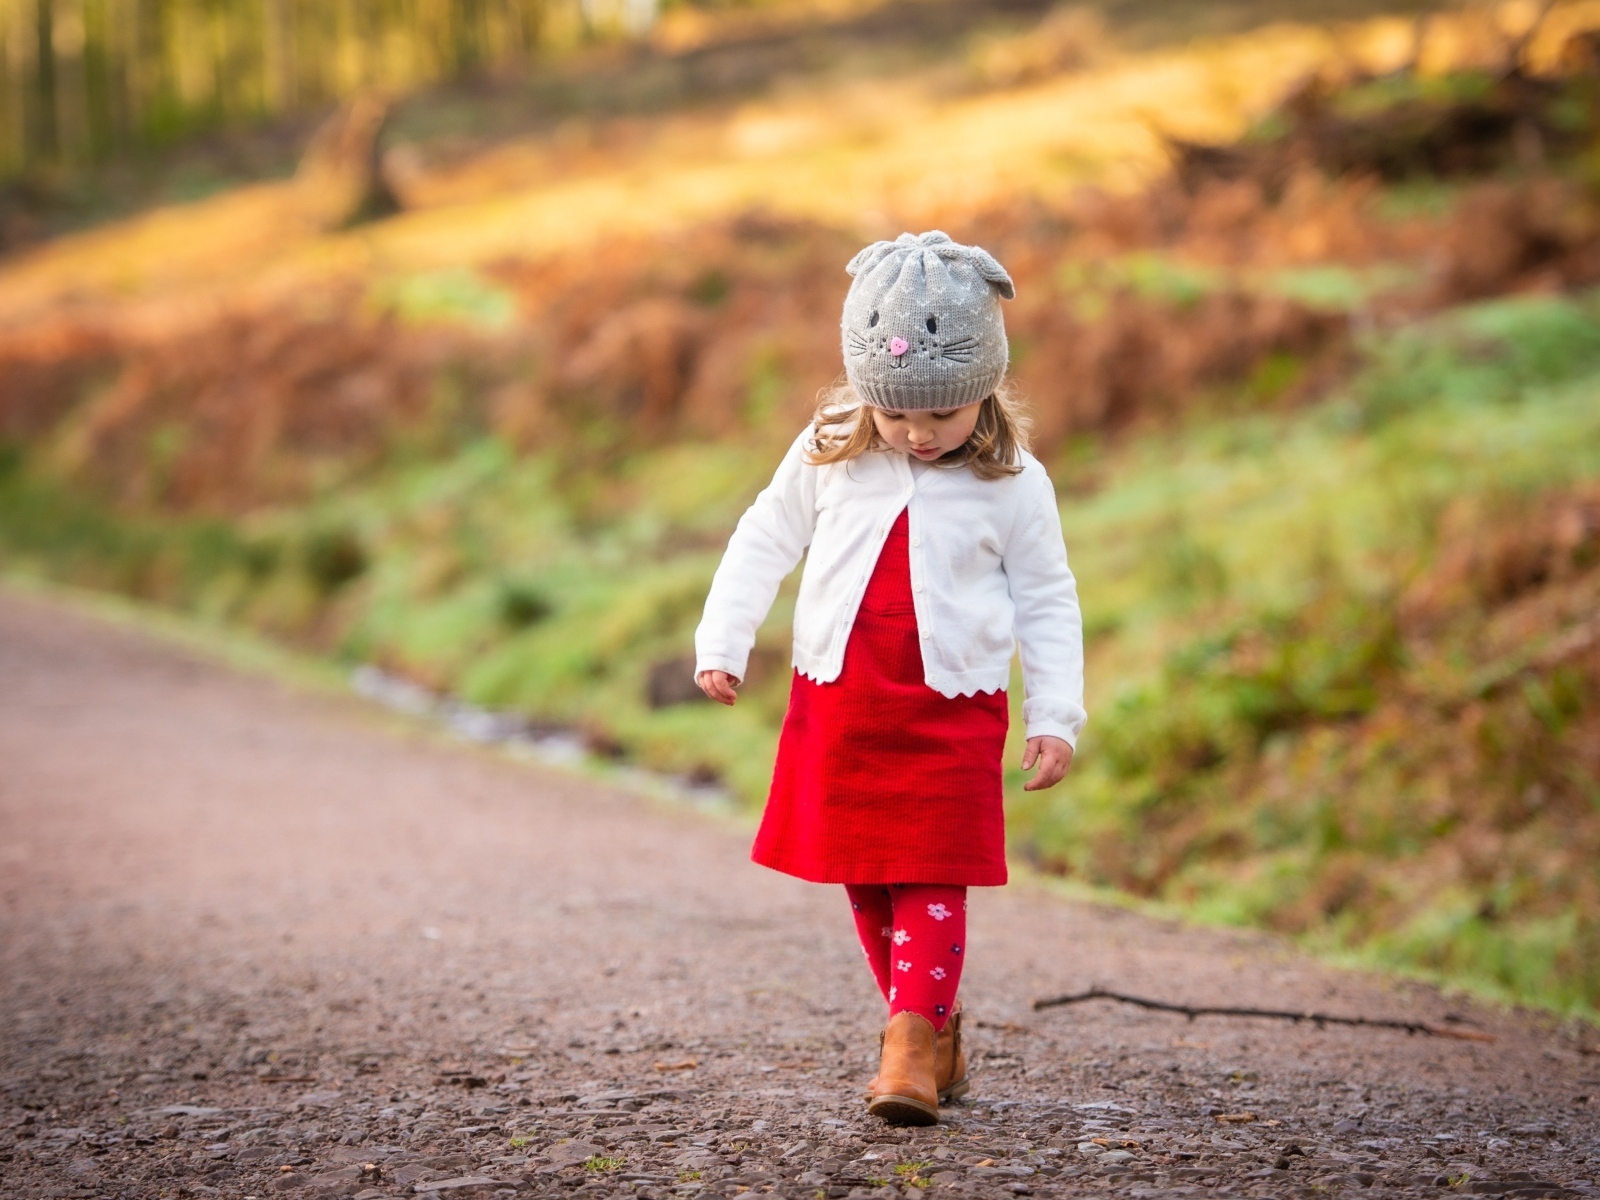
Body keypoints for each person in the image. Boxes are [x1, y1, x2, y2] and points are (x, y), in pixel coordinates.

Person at [693, 230, 1085, 1126]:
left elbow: (1048, 599)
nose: (916, 433)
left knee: (932, 864)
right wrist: (725, 639)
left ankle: (908, 1040)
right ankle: (932, 1029)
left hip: (953, 704)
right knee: (866, 871)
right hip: (844, 692)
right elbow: (765, 538)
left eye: (939, 416)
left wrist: (1055, 712)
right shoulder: (833, 444)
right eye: (897, 414)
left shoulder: (1014, 482)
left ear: (982, 390)